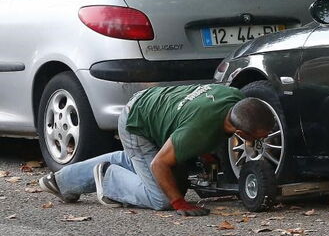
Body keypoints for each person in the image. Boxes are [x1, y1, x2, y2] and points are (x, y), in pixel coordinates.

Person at [39, 84, 276, 217]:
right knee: (161, 197)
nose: (259, 141)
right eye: (257, 138)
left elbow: (189, 124)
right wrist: (178, 202)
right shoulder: (198, 131)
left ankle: (61, 181)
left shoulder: (235, 99)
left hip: (152, 104)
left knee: (140, 163)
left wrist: (204, 155)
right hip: (136, 123)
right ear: (241, 132)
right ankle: (108, 178)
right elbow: (158, 164)